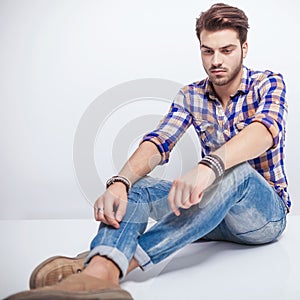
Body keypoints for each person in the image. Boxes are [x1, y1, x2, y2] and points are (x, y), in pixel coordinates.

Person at [6, 3, 289, 300]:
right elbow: (159, 141)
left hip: (263, 216)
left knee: (237, 173)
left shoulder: (268, 83)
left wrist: (209, 167)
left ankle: (105, 267)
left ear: (244, 48)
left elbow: (263, 133)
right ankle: (99, 272)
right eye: (207, 51)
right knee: (137, 189)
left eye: (226, 50)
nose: (216, 60)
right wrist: (120, 182)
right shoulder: (191, 95)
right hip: (213, 217)